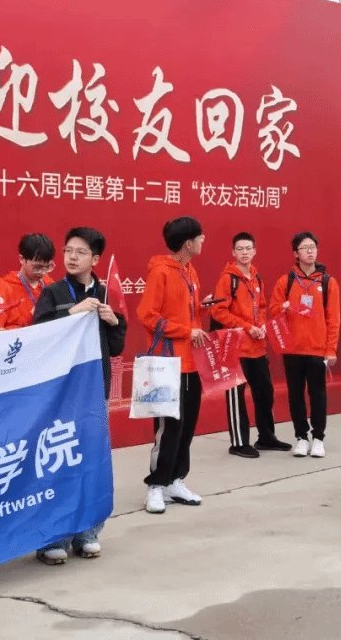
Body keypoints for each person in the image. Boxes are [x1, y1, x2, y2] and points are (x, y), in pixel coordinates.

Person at [31, 227, 126, 564]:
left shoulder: (106, 292)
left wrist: (113, 322)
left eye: (80, 252)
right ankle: (52, 537)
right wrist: (72, 312)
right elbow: (38, 334)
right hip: (60, 394)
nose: (71, 257)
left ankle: (88, 532)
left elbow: (117, 346)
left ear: (95, 259)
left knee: (91, 462)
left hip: (94, 390)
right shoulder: (53, 292)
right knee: (58, 462)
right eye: (68, 250)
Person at [136, 216, 207, 514]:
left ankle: (176, 480)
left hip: (192, 362)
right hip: (168, 362)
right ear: (188, 243)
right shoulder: (161, 272)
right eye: (200, 237)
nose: (203, 241)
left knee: (187, 427)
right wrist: (185, 331)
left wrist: (202, 309)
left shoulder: (190, 271)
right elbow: (147, 315)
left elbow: (186, 311)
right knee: (168, 429)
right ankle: (156, 485)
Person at [208, 232, 291, 458]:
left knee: (265, 392)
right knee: (236, 396)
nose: (244, 252)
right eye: (240, 249)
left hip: (257, 346)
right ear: (233, 252)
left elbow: (262, 306)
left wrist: (261, 324)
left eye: (248, 248)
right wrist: (247, 327)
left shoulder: (257, 277)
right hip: (234, 347)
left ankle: (266, 437)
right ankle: (238, 443)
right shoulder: (228, 279)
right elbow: (218, 311)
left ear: (254, 251)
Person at [269, 231, 341, 458]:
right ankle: (301, 436)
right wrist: (283, 307)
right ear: (295, 253)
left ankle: (318, 438)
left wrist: (331, 349)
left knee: (318, 395)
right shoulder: (286, 281)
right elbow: (272, 310)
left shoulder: (328, 282)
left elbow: (334, 319)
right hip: (292, 350)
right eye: (304, 248)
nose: (310, 251)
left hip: (317, 350)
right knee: (296, 395)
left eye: (313, 247)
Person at [4, 233, 56, 327]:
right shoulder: (6, 287)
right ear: (22, 259)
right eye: (37, 267)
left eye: (47, 267)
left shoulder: (50, 285)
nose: (42, 272)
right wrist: (33, 314)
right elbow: (7, 327)